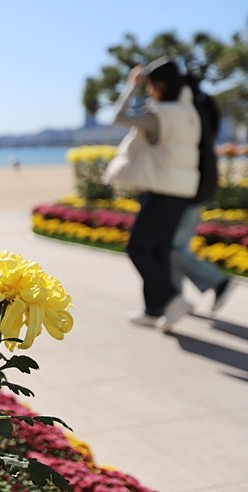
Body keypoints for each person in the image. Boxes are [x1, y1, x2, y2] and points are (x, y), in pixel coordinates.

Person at [111, 58, 201, 332]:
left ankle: (172, 299)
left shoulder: (158, 114)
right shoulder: (189, 112)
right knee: (158, 250)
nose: (149, 91)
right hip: (183, 190)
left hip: (161, 191)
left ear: (159, 85)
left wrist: (131, 86)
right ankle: (154, 310)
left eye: (150, 86)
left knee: (137, 248)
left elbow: (118, 117)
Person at [170, 75, 235, 313]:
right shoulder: (204, 106)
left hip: (192, 188)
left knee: (174, 247)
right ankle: (176, 298)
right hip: (198, 184)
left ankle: (219, 282)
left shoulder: (191, 111)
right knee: (174, 246)